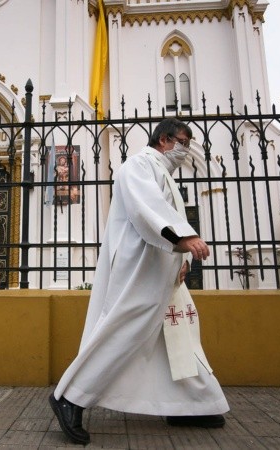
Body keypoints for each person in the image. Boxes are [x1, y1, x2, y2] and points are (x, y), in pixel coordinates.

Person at [48, 118, 229, 445]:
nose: (185, 151)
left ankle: (188, 404)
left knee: (176, 335)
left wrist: (182, 259)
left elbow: (169, 213)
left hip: (162, 267)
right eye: (182, 143)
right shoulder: (137, 166)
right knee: (125, 330)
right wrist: (184, 240)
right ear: (163, 139)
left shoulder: (162, 171)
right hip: (139, 267)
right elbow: (148, 210)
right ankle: (70, 397)